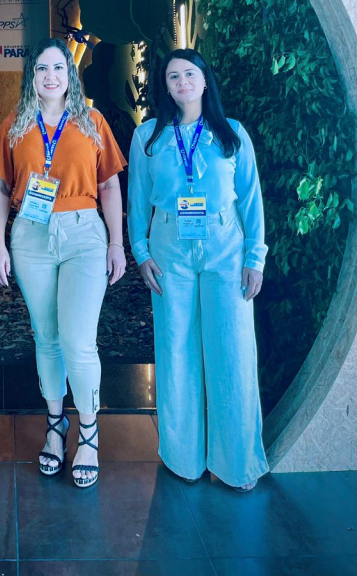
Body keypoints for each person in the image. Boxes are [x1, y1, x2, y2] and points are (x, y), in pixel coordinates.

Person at [0, 37, 126, 489]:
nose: (50, 76)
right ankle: (55, 424)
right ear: (32, 76)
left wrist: (117, 243)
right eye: (42, 68)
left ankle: (89, 432)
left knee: (78, 341)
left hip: (84, 233)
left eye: (58, 68)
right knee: (46, 338)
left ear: (70, 75)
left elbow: (109, 186)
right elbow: (0, 187)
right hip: (30, 235)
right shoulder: (15, 124)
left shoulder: (92, 121)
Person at [127, 48, 268, 492]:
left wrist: (255, 257)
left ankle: (236, 463)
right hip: (169, 249)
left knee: (232, 350)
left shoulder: (232, 134)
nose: (182, 82)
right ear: (165, 86)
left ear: (205, 81)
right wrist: (140, 252)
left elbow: (251, 199)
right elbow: (137, 199)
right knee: (176, 349)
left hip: (225, 246)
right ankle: (182, 457)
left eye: (190, 74)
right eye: (173, 77)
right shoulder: (149, 136)